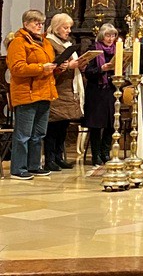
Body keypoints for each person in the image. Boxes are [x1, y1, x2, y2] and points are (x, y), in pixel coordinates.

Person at [6, 9, 57, 180]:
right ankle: (18, 169)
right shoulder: (18, 42)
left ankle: (34, 166)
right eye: (36, 22)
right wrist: (42, 68)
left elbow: (48, 64)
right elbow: (17, 68)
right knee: (23, 135)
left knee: (38, 134)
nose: (39, 26)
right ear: (26, 24)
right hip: (26, 93)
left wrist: (57, 67)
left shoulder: (45, 43)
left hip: (44, 92)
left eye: (41, 23)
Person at [44, 13, 85, 171]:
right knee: (53, 126)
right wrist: (69, 66)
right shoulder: (50, 43)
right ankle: (50, 159)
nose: (68, 31)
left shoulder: (67, 43)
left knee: (63, 125)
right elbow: (52, 65)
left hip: (68, 89)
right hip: (57, 88)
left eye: (69, 28)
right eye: (65, 27)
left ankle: (59, 157)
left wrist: (80, 63)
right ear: (56, 28)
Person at [83, 23, 118, 166]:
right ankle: (95, 154)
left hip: (111, 91)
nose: (110, 39)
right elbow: (88, 72)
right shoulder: (94, 50)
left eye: (113, 35)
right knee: (96, 125)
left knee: (111, 124)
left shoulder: (117, 50)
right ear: (102, 36)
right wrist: (101, 69)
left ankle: (105, 153)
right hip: (96, 92)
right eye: (107, 35)